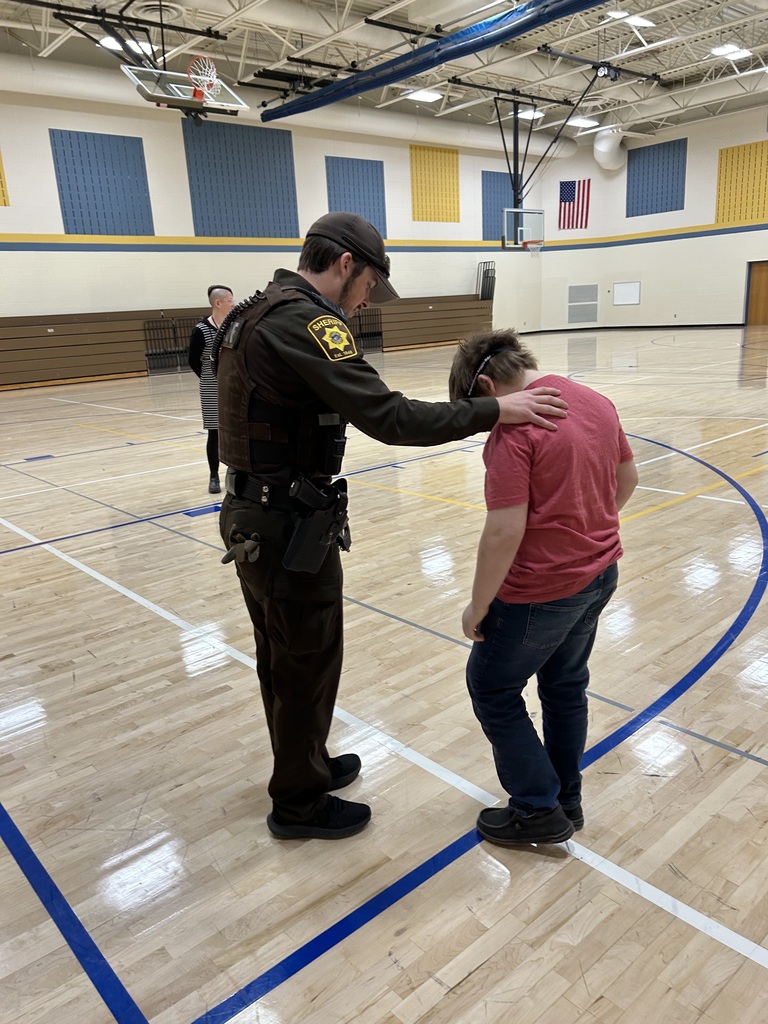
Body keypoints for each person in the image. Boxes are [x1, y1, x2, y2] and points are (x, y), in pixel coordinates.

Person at [214, 212, 569, 841]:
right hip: (286, 523)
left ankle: (307, 766)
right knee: (305, 660)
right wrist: (495, 410)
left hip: (256, 515)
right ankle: (298, 804)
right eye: (370, 284)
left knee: (284, 654)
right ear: (346, 264)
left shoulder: (252, 311)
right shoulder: (308, 320)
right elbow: (390, 417)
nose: (367, 300)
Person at [448, 329, 638, 847]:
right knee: (564, 687)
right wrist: (585, 529)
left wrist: (478, 605)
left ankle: (536, 809)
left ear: (486, 383)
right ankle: (565, 801)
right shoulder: (595, 401)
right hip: (599, 575)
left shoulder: (514, 430)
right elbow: (628, 479)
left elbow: (505, 532)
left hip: (540, 592)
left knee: (492, 688)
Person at [188, 285, 235, 494]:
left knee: (235, 430)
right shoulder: (201, 329)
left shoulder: (233, 326)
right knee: (215, 432)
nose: (233, 304)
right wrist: (210, 379)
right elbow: (193, 360)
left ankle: (235, 472)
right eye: (230, 300)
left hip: (233, 385)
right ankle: (214, 475)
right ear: (218, 303)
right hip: (211, 388)